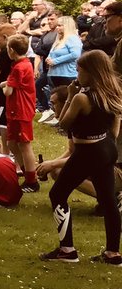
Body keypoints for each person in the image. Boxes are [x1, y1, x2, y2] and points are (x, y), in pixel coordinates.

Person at [42, 50, 122, 264]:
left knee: (57, 193)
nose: (76, 75)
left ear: (91, 72)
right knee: (108, 200)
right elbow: (114, 129)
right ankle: (113, 253)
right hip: (107, 148)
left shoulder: (81, 98)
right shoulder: (112, 93)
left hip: (87, 151)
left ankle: (67, 250)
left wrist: (69, 96)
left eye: (79, 71)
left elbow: (63, 124)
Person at [0, 34, 40, 192]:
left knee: (24, 144)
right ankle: (27, 172)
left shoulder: (19, 67)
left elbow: (8, 91)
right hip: (15, 110)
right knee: (11, 143)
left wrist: (3, 86)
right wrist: (6, 83)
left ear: (11, 50)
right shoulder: (24, 63)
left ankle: (32, 180)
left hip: (21, 109)